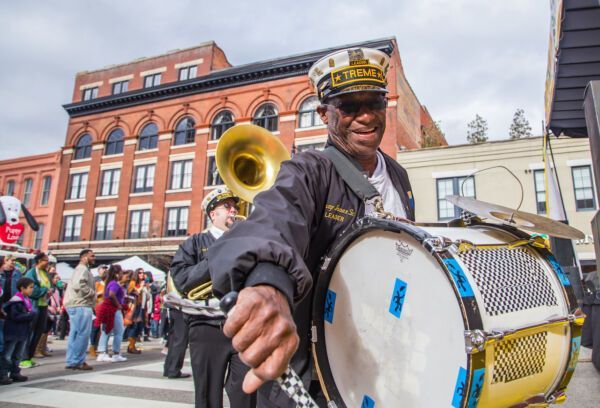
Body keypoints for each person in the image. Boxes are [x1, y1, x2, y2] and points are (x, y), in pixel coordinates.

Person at [207, 47, 415, 406]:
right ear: (324, 113)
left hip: (382, 360)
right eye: (349, 106)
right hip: (319, 371)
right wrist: (269, 283)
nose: (366, 116)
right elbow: (276, 220)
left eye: (375, 103)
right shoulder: (308, 170)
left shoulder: (399, 176)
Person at [170, 187, 255, 408]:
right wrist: (220, 254)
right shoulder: (194, 243)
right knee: (208, 394)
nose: (233, 211)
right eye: (226, 207)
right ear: (212, 214)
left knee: (246, 392)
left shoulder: (244, 241)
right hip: (206, 325)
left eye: (235, 207)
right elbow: (182, 280)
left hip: (242, 325)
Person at [63, 249, 96, 370]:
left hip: (77, 304)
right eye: (92, 256)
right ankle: (77, 360)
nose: (94, 258)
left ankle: (72, 360)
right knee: (82, 334)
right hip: (80, 304)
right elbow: (79, 284)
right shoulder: (82, 269)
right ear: (84, 257)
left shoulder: (82, 269)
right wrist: (92, 293)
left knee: (75, 334)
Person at [0, 277, 36, 385]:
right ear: (22, 288)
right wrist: (30, 315)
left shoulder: (26, 300)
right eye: (30, 287)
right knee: (7, 355)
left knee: (18, 355)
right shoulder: (16, 301)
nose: (32, 290)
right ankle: (3, 375)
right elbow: (15, 316)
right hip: (13, 332)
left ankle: (15, 373)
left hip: (22, 332)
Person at [95, 265, 127, 363]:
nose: (123, 274)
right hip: (113, 309)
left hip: (109, 308)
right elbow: (111, 295)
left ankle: (102, 352)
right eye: (121, 272)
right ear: (117, 274)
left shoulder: (110, 282)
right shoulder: (114, 284)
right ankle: (115, 353)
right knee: (118, 331)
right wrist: (118, 305)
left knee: (106, 330)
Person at [23, 253, 51, 365]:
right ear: (39, 260)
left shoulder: (44, 273)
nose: (47, 262)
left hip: (43, 306)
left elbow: (47, 287)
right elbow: (32, 291)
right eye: (45, 260)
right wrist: (44, 290)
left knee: (38, 332)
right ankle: (24, 358)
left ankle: (29, 356)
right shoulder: (31, 273)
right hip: (34, 305)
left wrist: (48, 292)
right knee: (29, 332)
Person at [0, 255, 23, 359]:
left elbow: (20, 288)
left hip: (12, 304)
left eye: (15, 261)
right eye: (12, 260)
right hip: (2, 303)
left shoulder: (17, 273)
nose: (13, 263)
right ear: (5, 261)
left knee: (9, 334)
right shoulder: (1, 273)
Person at [89, 264, 108, 358]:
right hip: (97, 305)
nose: (105, 270)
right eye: (103, 269)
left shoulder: (107, 280)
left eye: (106, 269)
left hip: (105, 306)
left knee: (103, 328)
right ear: (99, 270)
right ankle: (92, 347)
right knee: (95, 327)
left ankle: (99, 346)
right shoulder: (95, 280)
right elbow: (92, 292)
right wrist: (102, 293)